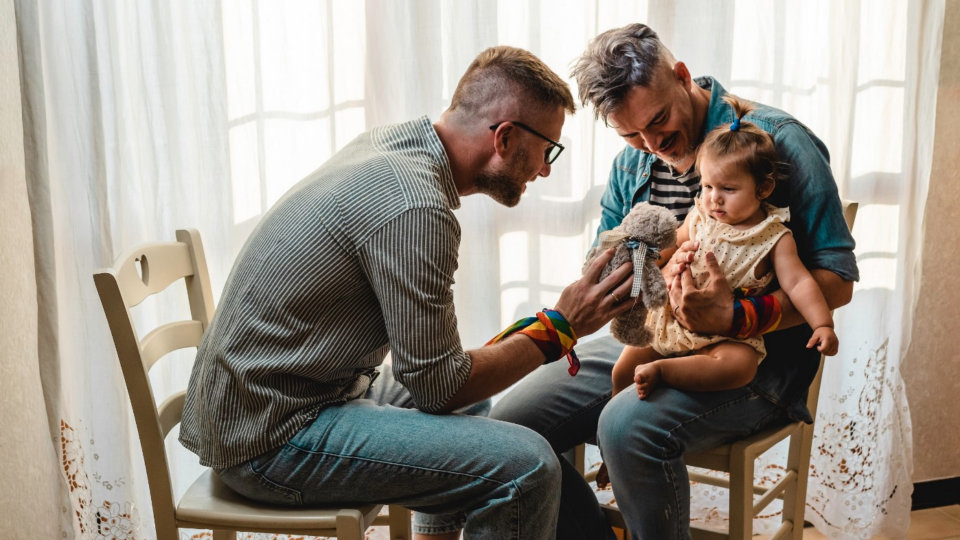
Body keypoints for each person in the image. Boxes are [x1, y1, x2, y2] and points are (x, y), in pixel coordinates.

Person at [179, 46, 635, 540]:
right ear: (504, 138)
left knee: (473, 409)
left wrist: (550, 330)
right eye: (548, 149)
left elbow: (440, 385)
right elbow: (438, 386)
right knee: (527, 468)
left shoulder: (392, 147)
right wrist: (559, 329)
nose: (545, 169)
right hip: (270, 438)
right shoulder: (417, 209)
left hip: (258, 405)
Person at [490, 24, 859, 540]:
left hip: (753, 360)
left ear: (682, 77)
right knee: (507, 429)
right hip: (657, 337)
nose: (652, 145)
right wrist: (649, 274)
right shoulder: (632, 162)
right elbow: (609, 268)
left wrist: (737, 315)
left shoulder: (780, 143)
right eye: (630, 134)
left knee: (624, 426)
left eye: (659, 120)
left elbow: (836, 281)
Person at [611, 95, 840, 401]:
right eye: (707, 187)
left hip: (727, 334)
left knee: (740, 367)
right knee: (621, 370)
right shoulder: (699, 217)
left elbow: (799, 283)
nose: (714, 199)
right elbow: (668, 246)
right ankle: (615, 409)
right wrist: (656, 271)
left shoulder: (773, 237)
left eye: (728, 189)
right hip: (669, 317)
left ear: (763, 188)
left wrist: (822, 323)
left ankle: (665, 371)